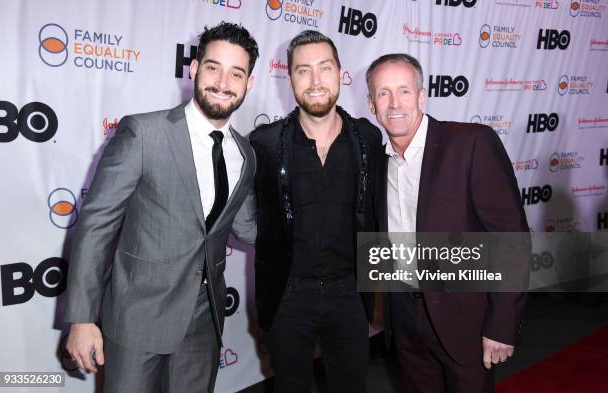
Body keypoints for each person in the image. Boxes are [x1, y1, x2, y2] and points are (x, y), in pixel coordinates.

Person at [64, 22, 258, 393]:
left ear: (249, 84)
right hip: (138, 319)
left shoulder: (245, 154)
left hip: (204, 323)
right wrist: (82, 318)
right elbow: (96, 225)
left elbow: (250, 227)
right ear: (194, 69)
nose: (223, 81)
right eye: (214, 67)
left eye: (237, 73)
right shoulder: (143, 134)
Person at [366, 53, 529, 393]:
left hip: (464, 318)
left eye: (404, 91)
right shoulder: (379, 164)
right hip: (405, 319)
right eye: (383, 93)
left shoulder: (470, 143)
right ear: (371, 104)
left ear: (422, 96)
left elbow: (510, 237)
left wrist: (501, 324)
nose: (394, 103)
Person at [249, 30, 383, 393]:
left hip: (350, 296)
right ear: (289, 78)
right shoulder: (264, 144)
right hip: (288, 298)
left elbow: (379, 216)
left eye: (325, 68)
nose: (315, 80)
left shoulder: (368, 140)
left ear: (341, 74)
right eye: (303, 70)